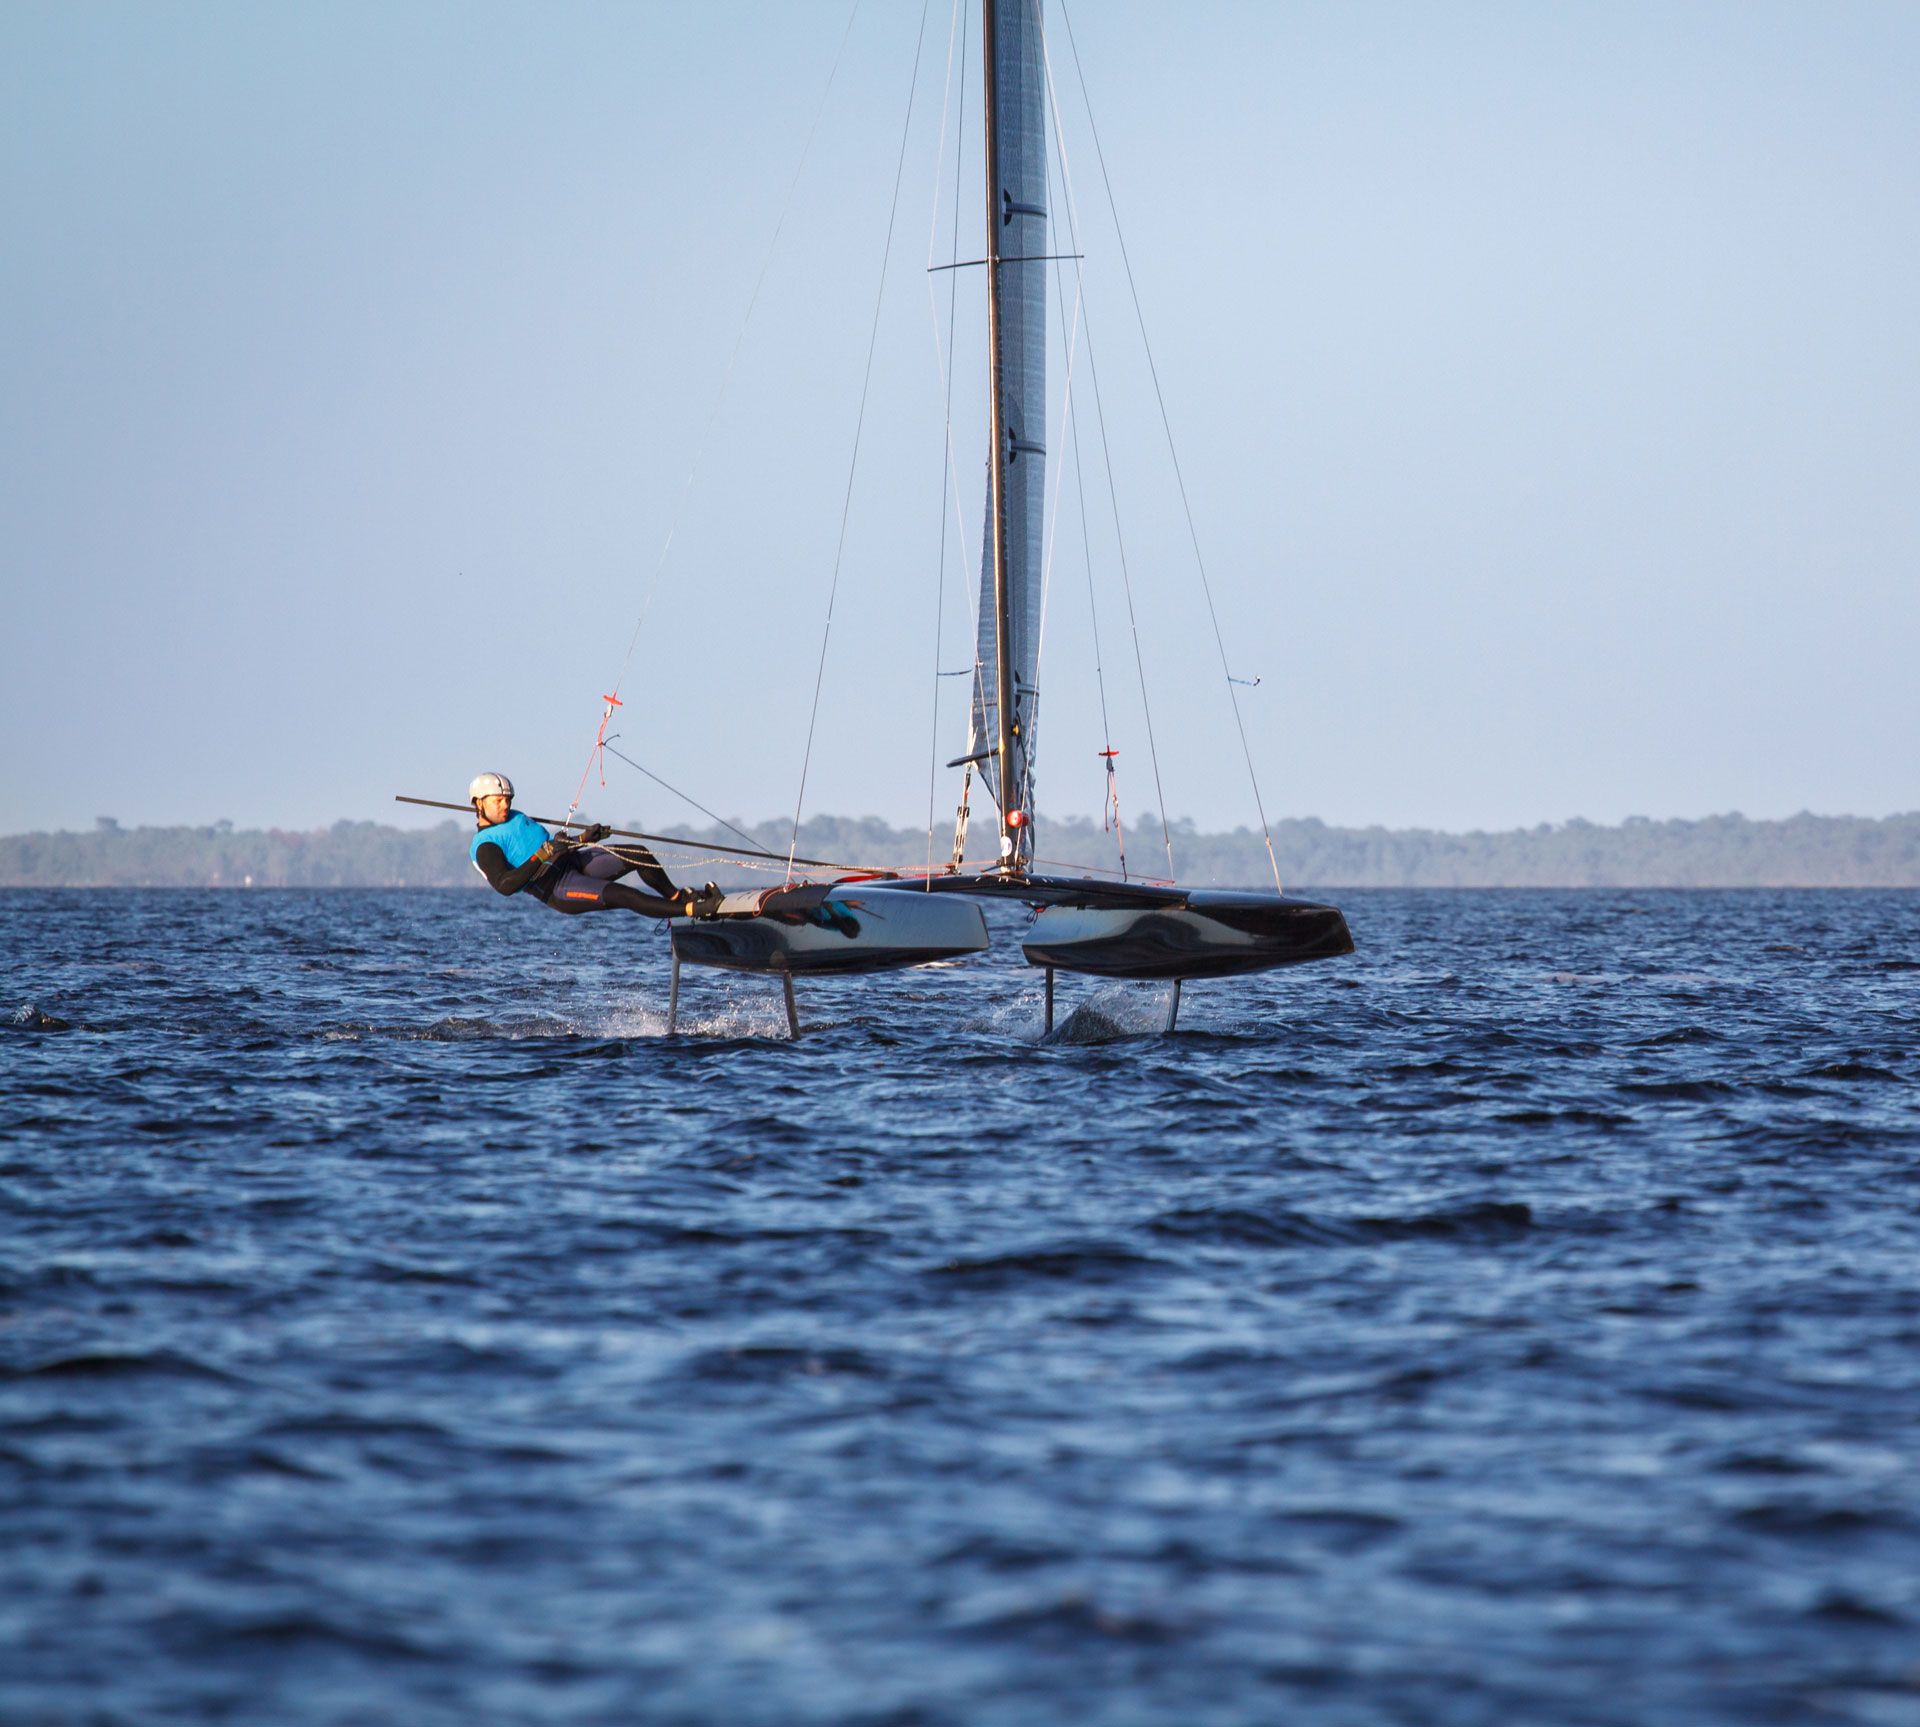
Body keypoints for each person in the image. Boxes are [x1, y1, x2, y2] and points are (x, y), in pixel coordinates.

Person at [466, 773, 720, 919]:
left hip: (572, 862)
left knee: (638, 854)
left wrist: (583, 840)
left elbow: (556, 847)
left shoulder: (515, 817)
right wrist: (544, 853)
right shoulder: (486, 845)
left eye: (507, 799)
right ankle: (694, 910)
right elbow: (505, 886)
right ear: (479, 804)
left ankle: (678, 897)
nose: (505, 805)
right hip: (557, 887)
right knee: (625, 895)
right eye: (498, 801)